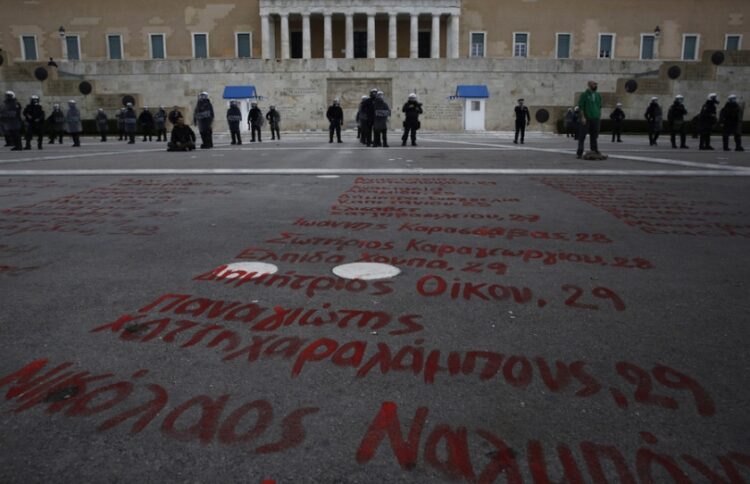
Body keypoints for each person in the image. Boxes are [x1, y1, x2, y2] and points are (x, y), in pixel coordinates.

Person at [576, 80, 602, 159]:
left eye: (596, 84)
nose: (595, 85)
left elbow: (599, 106)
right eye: (594, 84)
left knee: (594, 135)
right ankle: (579, 152)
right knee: (582, 135)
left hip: (595, 118)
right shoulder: (584, 95)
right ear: (589, 85)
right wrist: (583, 117)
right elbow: (581, 107)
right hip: (586, 118)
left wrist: (598, 115)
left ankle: (594, 150)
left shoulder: (598, 95)